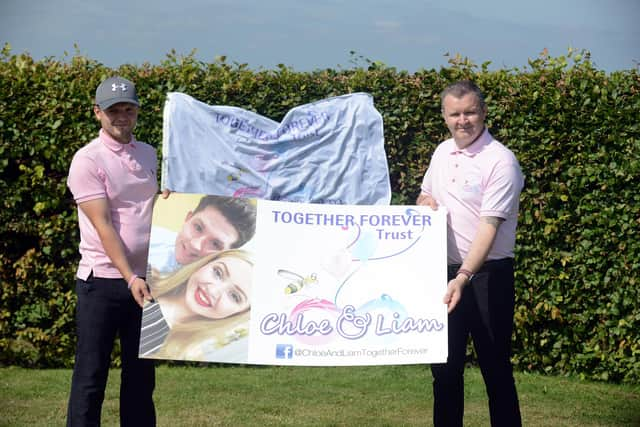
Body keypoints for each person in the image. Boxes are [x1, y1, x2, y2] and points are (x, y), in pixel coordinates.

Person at [417, 80, 524, 427]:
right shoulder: (441, 152)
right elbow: (425, 195)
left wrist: (463, 277)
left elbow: (488, 229)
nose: (463, 120)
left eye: (470, 112)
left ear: (483, 113)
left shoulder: (501, 161)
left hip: (487, 277)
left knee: (495, 371)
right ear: (445, 117)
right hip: (443, 275)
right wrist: (426, 202)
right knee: (444, 373)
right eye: (455, 114)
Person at [66, 76, 157, 426]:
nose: (122, 116)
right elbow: (104, 225)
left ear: (136, 112)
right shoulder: (87, 160)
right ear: (97, 113)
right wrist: (130, 275)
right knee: (91, 377)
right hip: (102, 282)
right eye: (113, 110)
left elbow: (146, 207)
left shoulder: (149, 153)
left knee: (142, 379)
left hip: (149, 282)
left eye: (128, 109)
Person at [139, 249, 254, 361]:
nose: (213, 291)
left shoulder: (185, 357)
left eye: (234, 296)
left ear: (239, 313)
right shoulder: (142, 274)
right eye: (218, 273)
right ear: (205, 264)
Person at [147, 195, 256, 276]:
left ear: (227, 253)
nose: (195, 245)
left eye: (215, 244)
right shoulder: (149, 238)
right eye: (198, 228)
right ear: (188, 218)